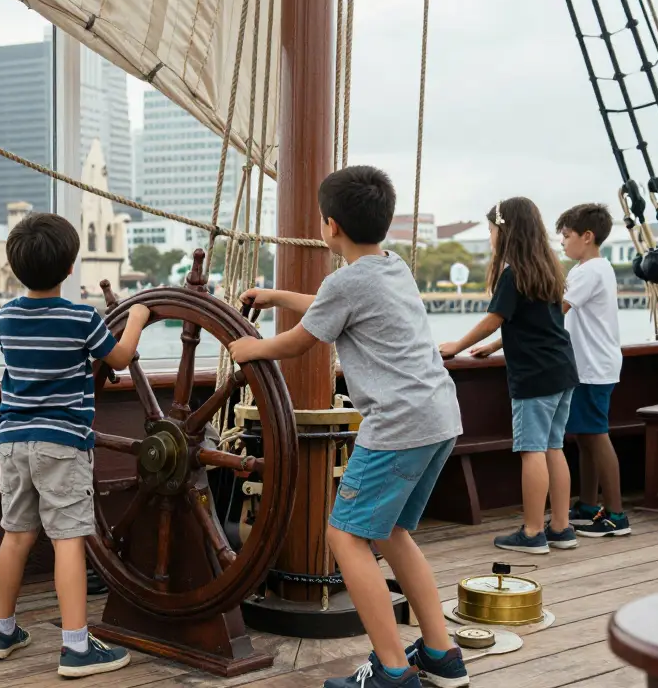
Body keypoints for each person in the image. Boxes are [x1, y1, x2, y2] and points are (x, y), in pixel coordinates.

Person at [230, 166, 467, 688]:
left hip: (398, 425)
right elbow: (328, 311)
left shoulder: (345, 281)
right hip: (439, 417)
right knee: (395, 533)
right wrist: (276, 295)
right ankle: (441, 654)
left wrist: (252, 348)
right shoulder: (392, 266)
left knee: (345, 537)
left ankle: (392, 670)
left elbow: (299, 341)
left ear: (329, 226)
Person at [0, 212, 149, 678]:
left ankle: (2, 631)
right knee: (68, 541)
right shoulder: (81, 318)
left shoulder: (6, 317)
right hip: (62, 444)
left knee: (16, 536)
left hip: (13, 443)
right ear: (71, 267)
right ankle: (77, 648)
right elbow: (118, 356)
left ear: (17, 268)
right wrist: (135, 317)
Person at [439, 198, 580, 555]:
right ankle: (561, 527)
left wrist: (457, 346)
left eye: (490, 230)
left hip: (534, 375)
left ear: (505, 231)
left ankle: (533, 532)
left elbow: (494, 317)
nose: (489, 237)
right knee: (554, 447)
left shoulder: (512, 272)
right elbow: (537, 322)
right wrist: (497, 347)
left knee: (531, 450)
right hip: (561, 368)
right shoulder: (547, 268)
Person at [557, 203, 630, 538]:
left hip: (591, 367)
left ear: (587, 236)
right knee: (586, 436)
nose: (562, 242)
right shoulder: (597, 267)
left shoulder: (588, 271)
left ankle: (616, 514)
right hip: (595, 364)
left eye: (566, 235)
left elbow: (558, 309)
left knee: (596, 435)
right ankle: (588, 505)